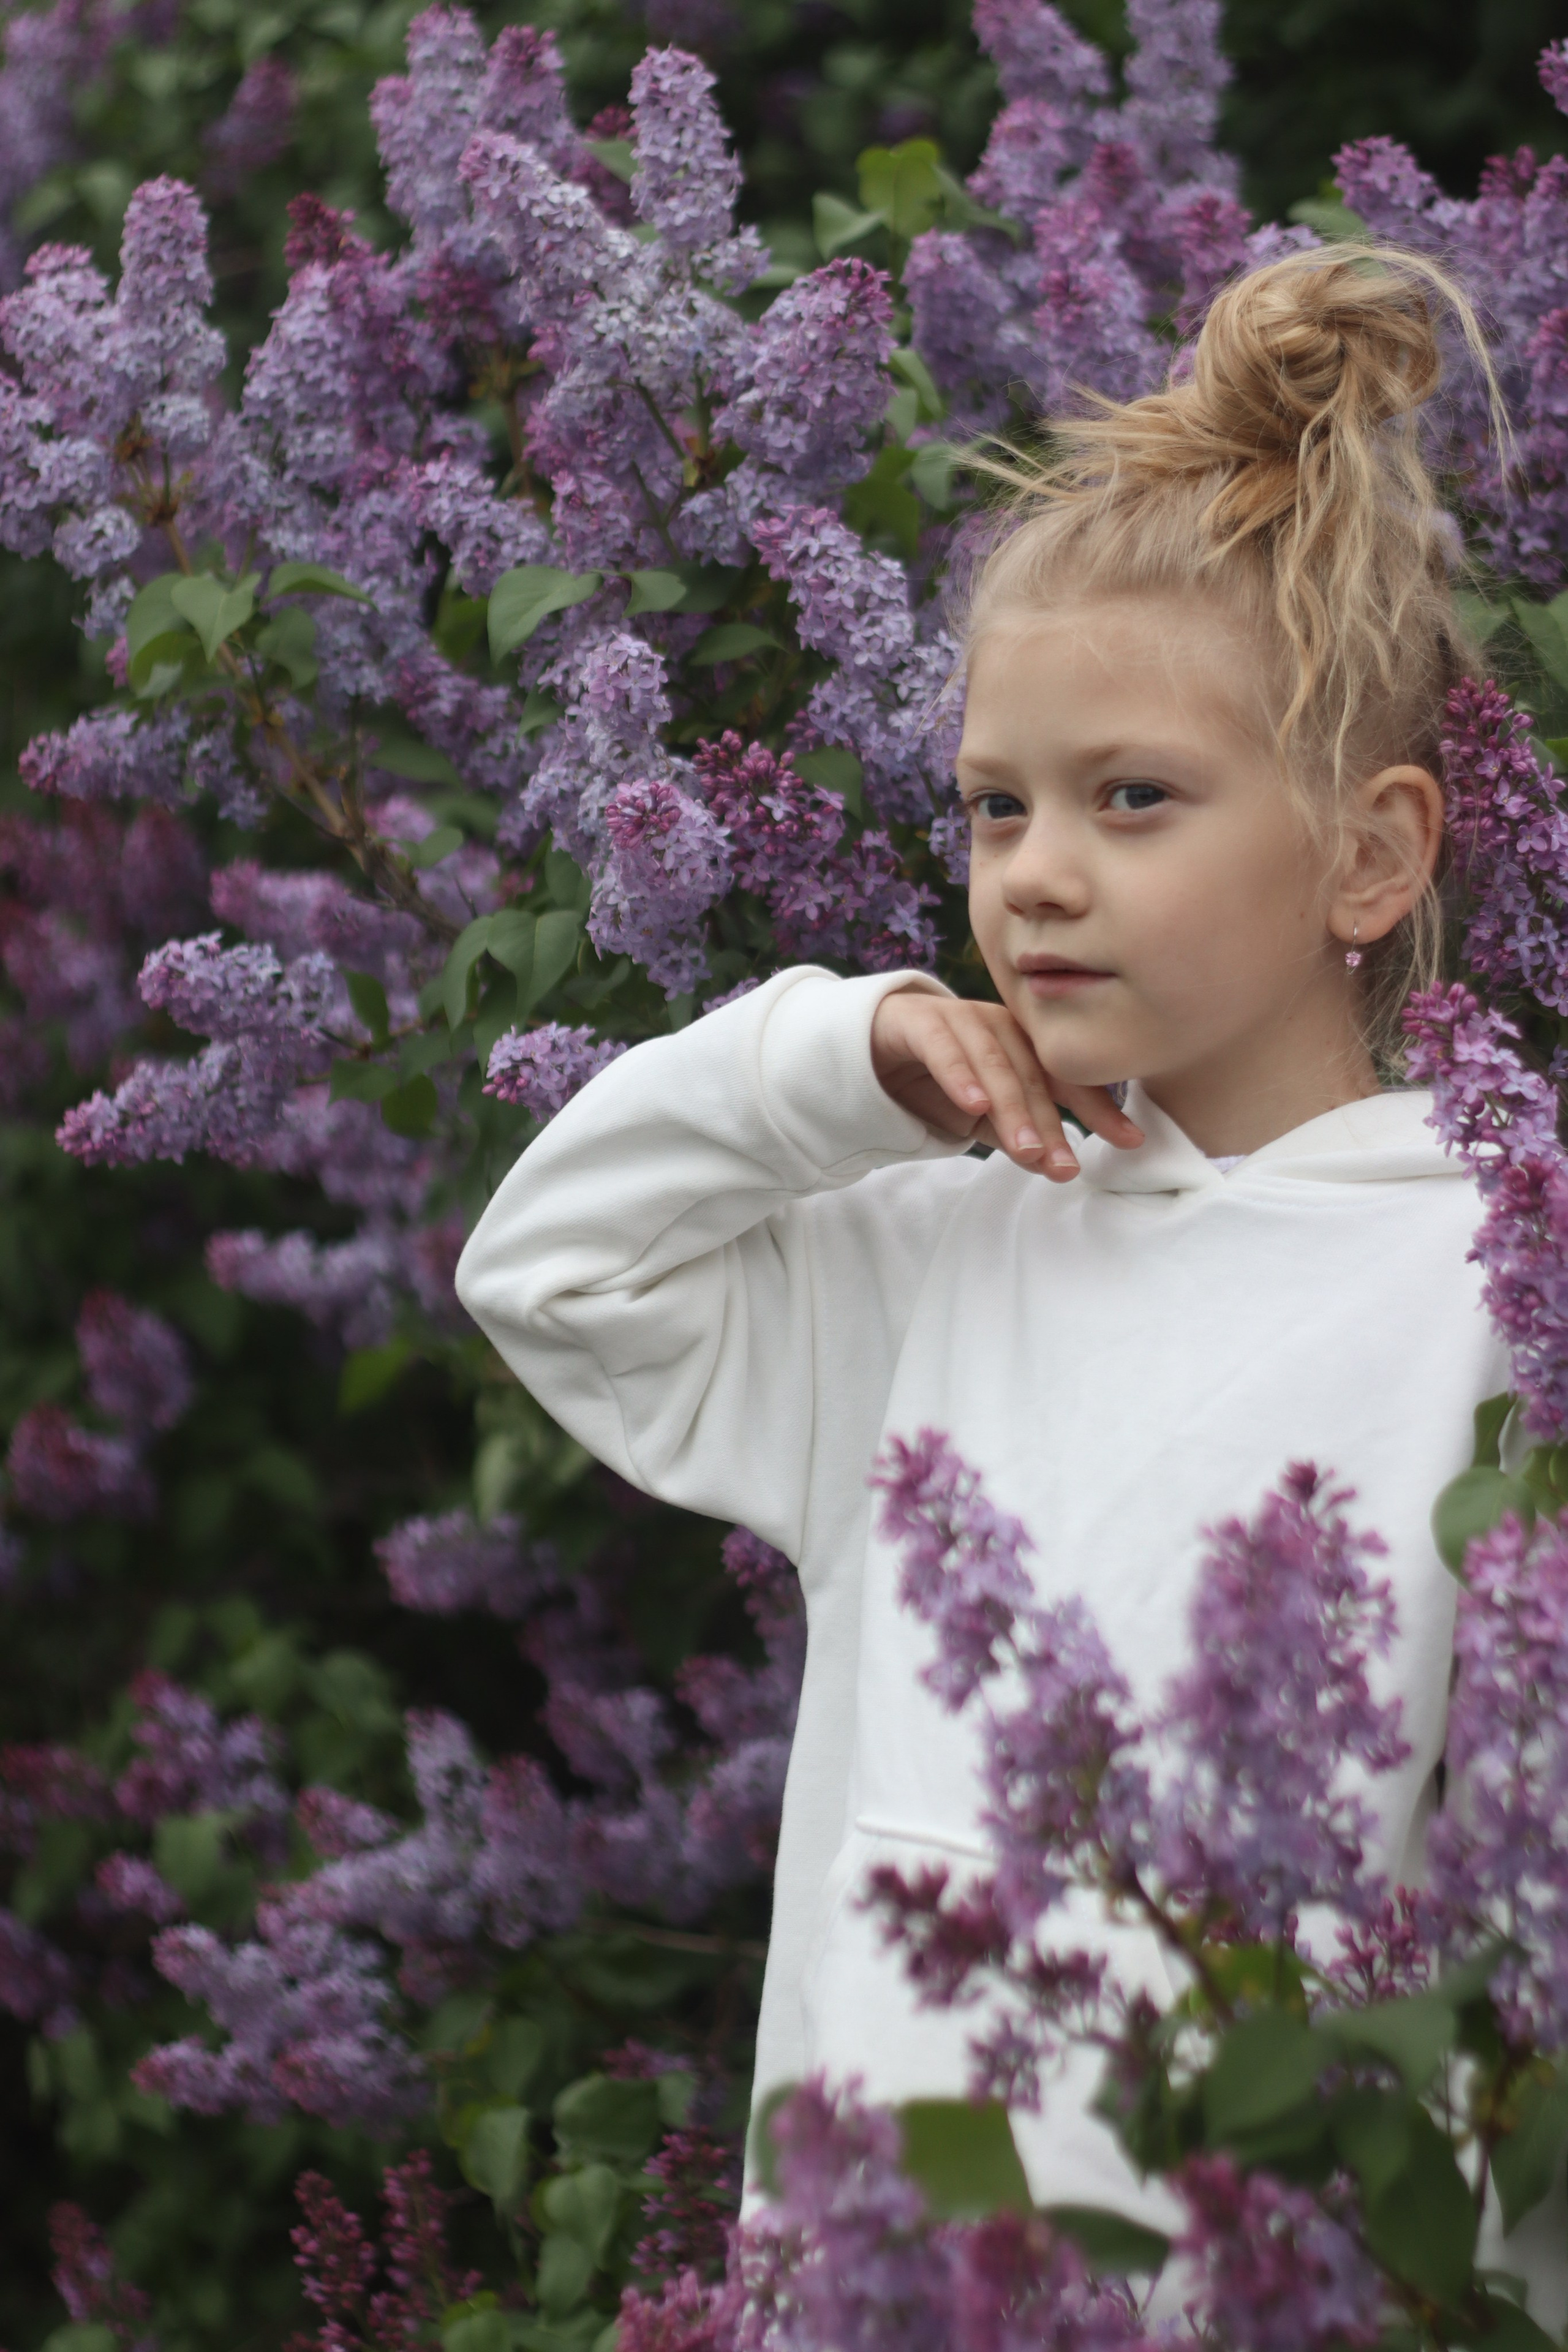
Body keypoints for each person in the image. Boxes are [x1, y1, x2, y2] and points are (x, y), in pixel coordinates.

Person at [456, 246, 1527, 2264]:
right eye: (993, 804)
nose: (1037, 872)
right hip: (878, 2274)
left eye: (1136, 800)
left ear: (1373, 856)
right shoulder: (935, 1246)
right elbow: (557, 1278)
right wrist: (823, 1063)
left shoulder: (1495, 1290)